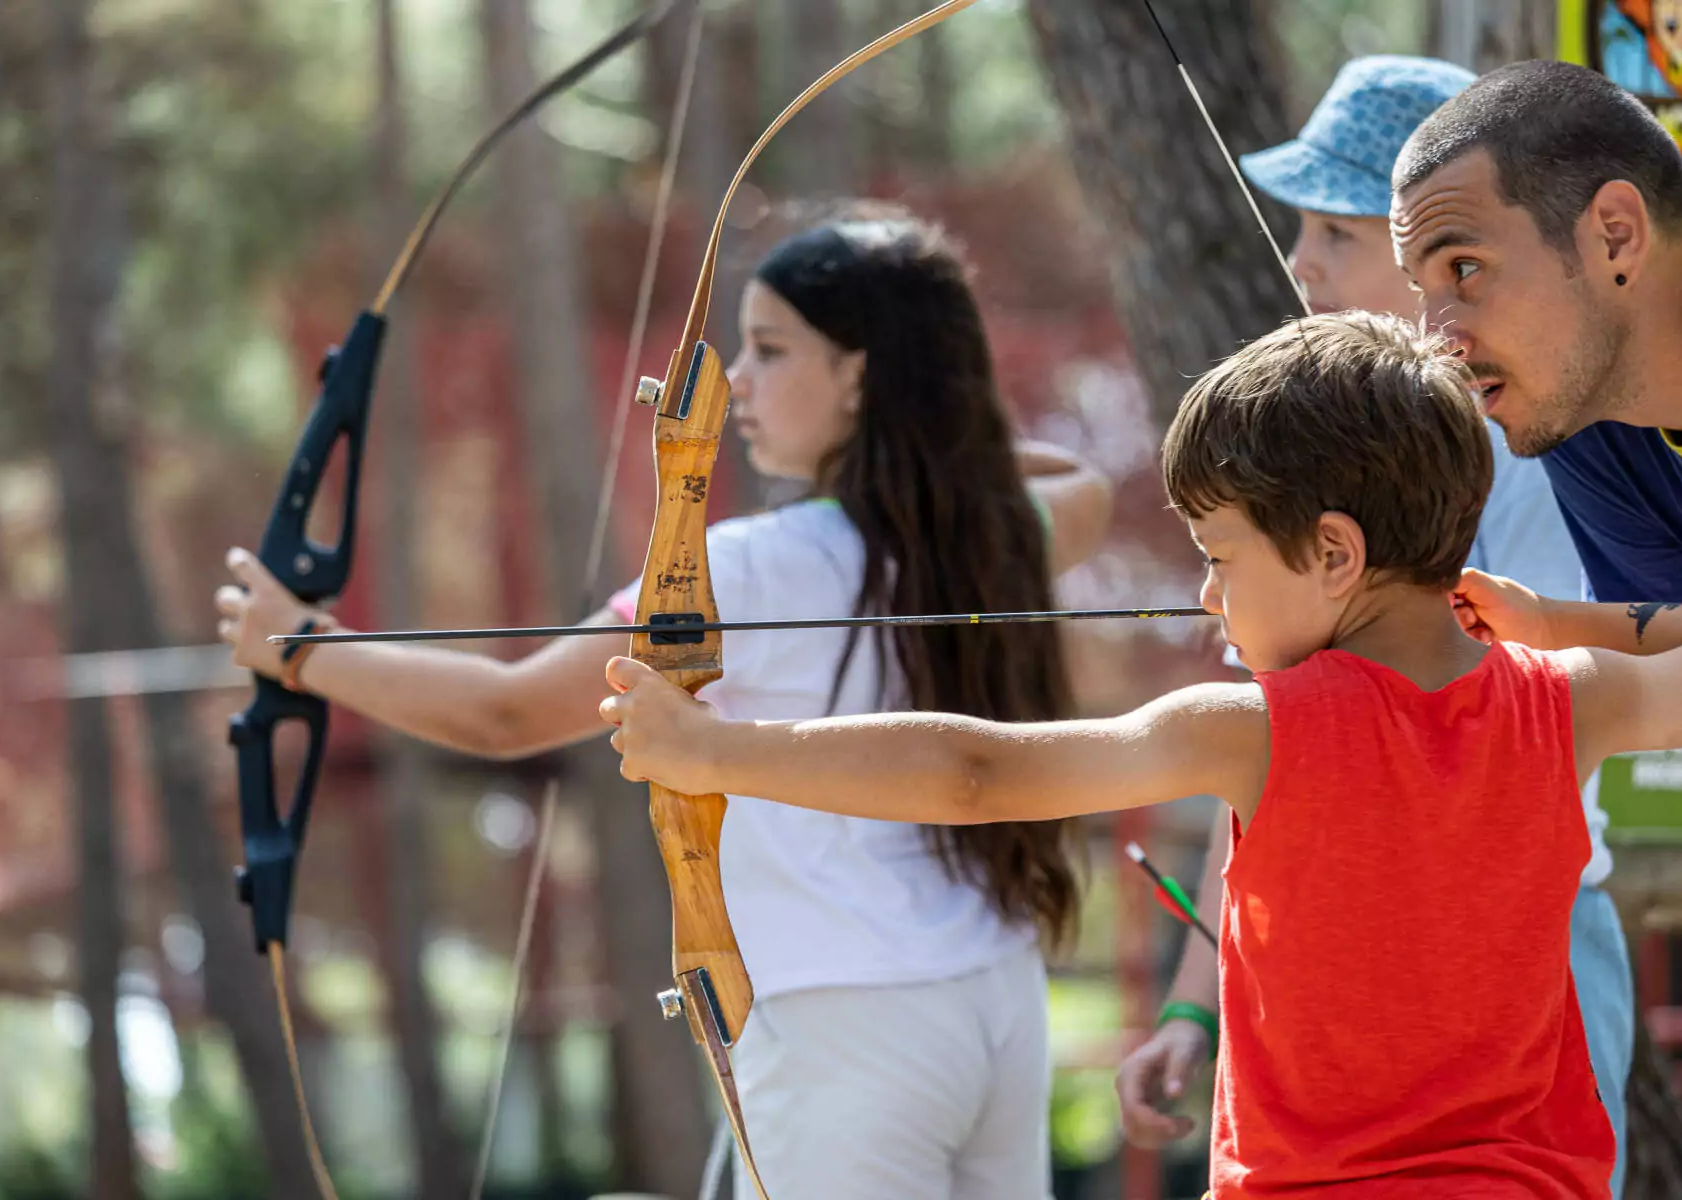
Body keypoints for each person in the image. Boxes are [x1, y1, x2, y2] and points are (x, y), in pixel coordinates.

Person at [603, 310, 1682, 1199]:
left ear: (1331, 552)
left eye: (1220, 553)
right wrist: (1567, 623)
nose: (1209, 593)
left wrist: (715, 750)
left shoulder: (1256, 726)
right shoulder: (1565, 702)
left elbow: (979, 772)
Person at [215, 212, 1115, 1200]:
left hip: (844, 1031)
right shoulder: (1008, 535)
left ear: (860, 376)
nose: (738, 384)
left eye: (771, 352)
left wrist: (301, 649)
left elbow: (508, 715)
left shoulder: (742, 568)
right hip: (996, 1003)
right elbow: (1085, 488)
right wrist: (949, 452)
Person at [1114, 54, 1634, 1197]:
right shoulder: (1320, 478)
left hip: (1519, 956)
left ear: (1445, 265)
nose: (1300, 263)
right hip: (1348, 967)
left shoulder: (1535, 458)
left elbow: (1528, 703)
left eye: (1337, 233)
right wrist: (1198, 1003)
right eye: (1298, 230)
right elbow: (1270, 746)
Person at [1390, 58, 1682, 823]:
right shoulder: (1577, 413)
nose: (1435, 341)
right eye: (1420, 291)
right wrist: (1547, 627)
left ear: (1614, 234)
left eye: (1464, 269)